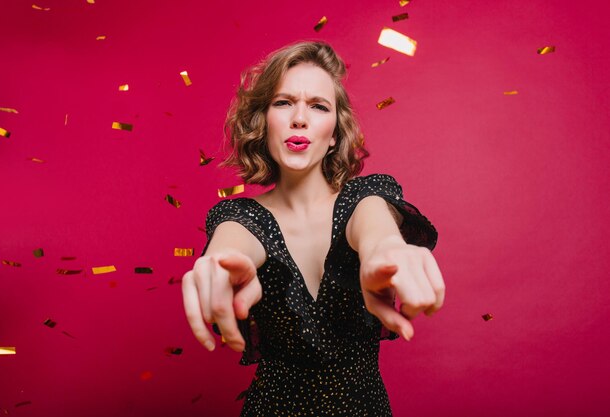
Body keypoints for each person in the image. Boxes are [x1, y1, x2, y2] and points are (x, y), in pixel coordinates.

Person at [181, 40, 445, 416]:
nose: (299, 118)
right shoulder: (239, 215)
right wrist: (220, 262)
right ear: (263, 121)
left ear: (335, 132)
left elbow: (373, 224)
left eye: (318, 106)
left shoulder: (365, 197)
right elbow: (232, 240)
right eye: (283, 102)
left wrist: (385, 246)